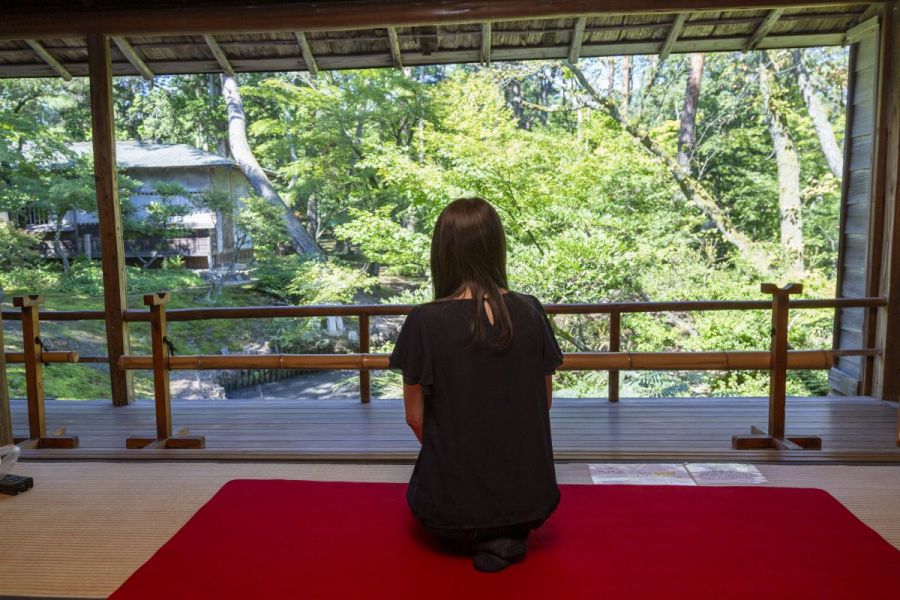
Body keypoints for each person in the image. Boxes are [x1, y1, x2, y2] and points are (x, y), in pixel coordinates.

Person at [389, 197, 563, 573]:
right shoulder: (531, 312)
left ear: (443, 252)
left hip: (448, 514)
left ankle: (489, 536)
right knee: (503, 510)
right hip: (531, 504)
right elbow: (542, 401)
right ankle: (503, 537)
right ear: (496, 247)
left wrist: (465, 457)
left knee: (438, 493)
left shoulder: (425, 321)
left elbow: (415, 419)